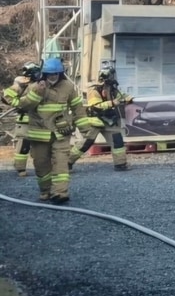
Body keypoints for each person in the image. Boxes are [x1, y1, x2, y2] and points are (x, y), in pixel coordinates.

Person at [16, 57, 84, 204]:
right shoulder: (34, 86)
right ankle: (45, 190)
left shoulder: (68, 87)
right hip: (39, 135)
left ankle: (60, 192)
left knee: (61, 163)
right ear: (44, 74)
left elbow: (78, 108)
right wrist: (37, 93)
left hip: (61, 133)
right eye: (49, 74)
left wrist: (85, 129)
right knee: (41, 164)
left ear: (61, 73)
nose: (53, 77)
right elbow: (22, 107)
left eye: (56, 74)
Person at [75, 61, 133, 171]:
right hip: (95, 121)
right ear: (107, 76)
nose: (114, 77)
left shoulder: (112, 88)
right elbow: (95, 106)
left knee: (117, 141)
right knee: (85, 144)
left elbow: (120, 96)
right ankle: (67, 163)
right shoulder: (94, 90)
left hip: (109, 120)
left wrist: (129, 98)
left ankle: (120, 164)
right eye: (112, 75)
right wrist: (111, 103)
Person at [4, 62, 40, 177]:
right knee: (24, 145)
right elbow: (7, 94)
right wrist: (19, 104)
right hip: (24, 120)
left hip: (38, 120)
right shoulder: (22, 83)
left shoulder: (41, 84)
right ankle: (20, 169)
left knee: (40, 145)